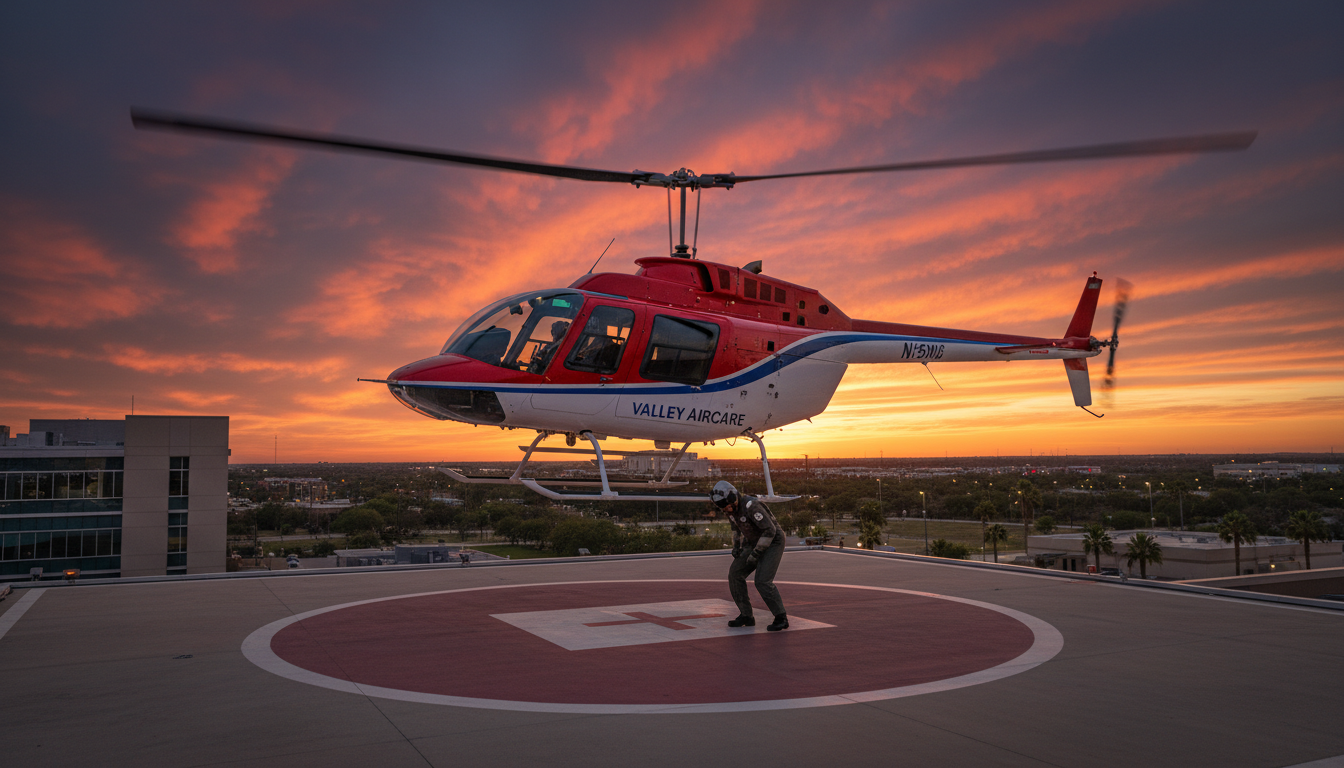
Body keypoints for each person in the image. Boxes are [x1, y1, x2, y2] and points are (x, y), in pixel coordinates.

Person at [711, 480, 788, 631]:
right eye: (722, 506)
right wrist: (736, 547)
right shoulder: (730, 510)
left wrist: (756, 553)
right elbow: (736, 528)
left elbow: (770, 531)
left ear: (733, 497)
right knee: (735, 574)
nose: (725, 508)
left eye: (726, 504)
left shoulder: (751, 506)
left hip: (773, 542)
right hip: (752, 541)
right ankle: (746, 615)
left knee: (762, 581)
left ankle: (781, 617)